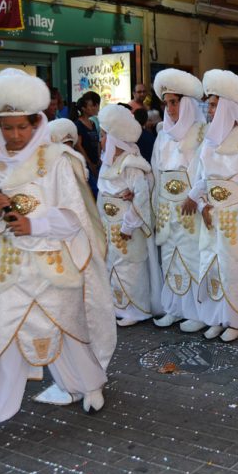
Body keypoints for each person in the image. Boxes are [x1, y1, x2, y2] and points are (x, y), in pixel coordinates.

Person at [0, 68, 114, 439]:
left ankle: (89, 384)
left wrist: (34, 223)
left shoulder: (57, 160)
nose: (15, 136)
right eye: (8, 127)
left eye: (23, 127)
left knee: (70, 333)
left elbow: (74, 219)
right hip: (8, 270)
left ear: (37, 123)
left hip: (53, 265)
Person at [181, 69, 238, 341]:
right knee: (210, 264)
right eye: (210, 104)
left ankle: (236, 319)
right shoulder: (211, 139)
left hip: (237, 214)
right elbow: (203, 177)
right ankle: (216, 317)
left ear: (226, 105)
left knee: (234, 266)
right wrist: (198, 201)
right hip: (211, 213)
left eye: (214, 104)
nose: (210, 110)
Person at [150, 69, 207, 329]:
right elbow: (155, 171)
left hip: (189, 207)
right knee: (170, 256)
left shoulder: (201, 133)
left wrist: (197, 197)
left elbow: (204, 169)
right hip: (166, 207)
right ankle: (174, 307)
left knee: (191, 256)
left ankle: (196, 312)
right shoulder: (162, 135)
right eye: (167, 103)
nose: (171, 108)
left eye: (175, 102)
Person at [95, 105, 161, 327]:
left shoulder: (130, 163)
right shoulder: (109, 163)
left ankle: (136, 309)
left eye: (104, 136)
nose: (101, 141)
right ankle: (119, 306)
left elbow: (142, 194)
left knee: (130, 267)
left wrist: (128, 224)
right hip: (109, 226)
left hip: (126, 227)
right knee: (114, 266)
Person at [72, 91, 102, 181]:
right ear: (84, 108)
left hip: (95, 162)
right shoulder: (78, 124)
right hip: (86, 165)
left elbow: (97, 142)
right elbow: (78, 146)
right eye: (92, 105)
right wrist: (89, 164)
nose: (96, 108)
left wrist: (99, 158)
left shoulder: (93, 123)